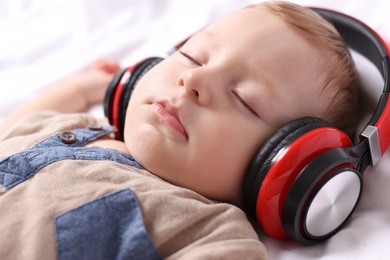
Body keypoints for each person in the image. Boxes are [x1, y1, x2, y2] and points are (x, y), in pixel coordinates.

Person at [0, 1, 359, 259]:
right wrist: (84, 90)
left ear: (286, 164)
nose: (193, 80)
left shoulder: (209, 229)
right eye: (193, 56)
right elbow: (14, 126)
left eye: (243, 99)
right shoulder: (75, 124)